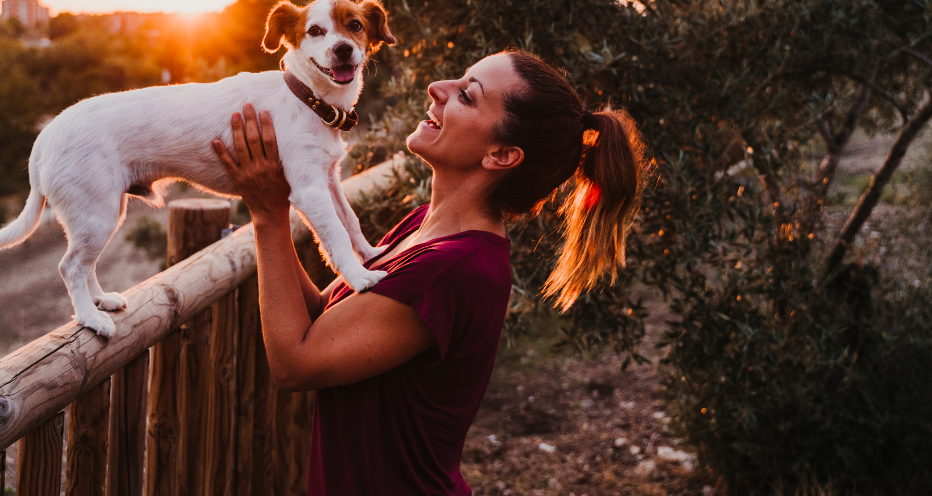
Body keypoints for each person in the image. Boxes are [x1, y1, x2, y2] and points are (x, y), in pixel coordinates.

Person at [213, 50, 647, 495]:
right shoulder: (424, 227)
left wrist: (268, 214)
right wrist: (278, 199)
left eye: (466, 95)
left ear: (501, 154)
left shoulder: (452, 270)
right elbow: (325, 316)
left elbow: (295, 364)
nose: (436, 90)